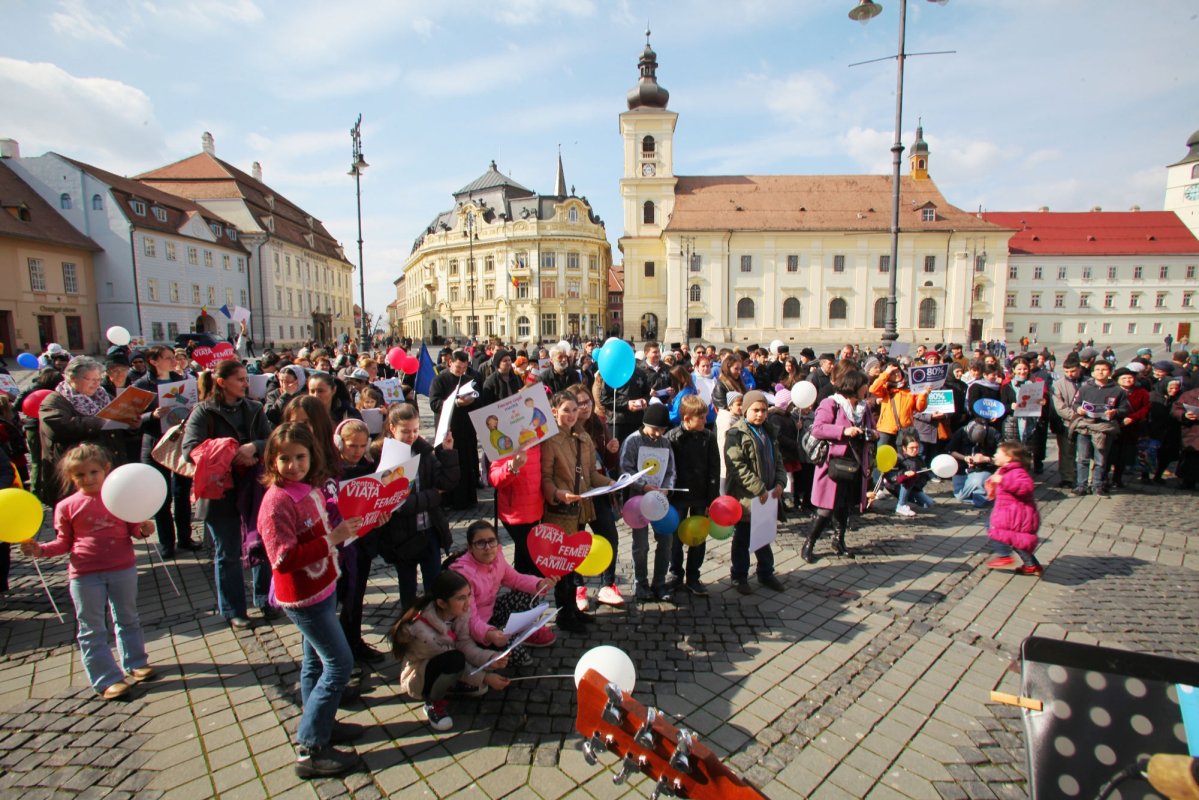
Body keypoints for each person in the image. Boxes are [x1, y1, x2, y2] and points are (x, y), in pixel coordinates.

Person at [257, 423, 364, 778]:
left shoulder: (309, 489)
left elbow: (325, 525)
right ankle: (310, 747)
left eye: (300, 457)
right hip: (303, 596)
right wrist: (332, 538)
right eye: (284, 458)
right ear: (272, 460)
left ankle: (322, 722)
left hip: (323, 586)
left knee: (314, 664)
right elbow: (282, 558)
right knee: (339, 665)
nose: (293, 465)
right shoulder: (276, 502)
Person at [20, 443, 156, 700]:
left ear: (106, 470)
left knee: (128, 617)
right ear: (71, 478)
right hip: (85, 574)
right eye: (80, 475)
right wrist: (39, 550)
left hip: (122, 567)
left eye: (93, 472)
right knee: (92, 627)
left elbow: (133, 529)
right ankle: (106, 677)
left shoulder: (117, 497)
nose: (88, 479)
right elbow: (63, 542)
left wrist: (144, 530)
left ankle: (136, 661)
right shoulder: (67, 506)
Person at [182, 359, 272, 629]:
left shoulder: (255, 408)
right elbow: (190, 450)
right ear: (222, 383)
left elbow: (271, 441)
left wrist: (254, 447)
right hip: (219, 492)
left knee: (262, 545)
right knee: (227, 553)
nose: (247, 383)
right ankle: (234, 608)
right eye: (241, 379)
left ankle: (264, 599)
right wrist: (233, 451)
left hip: (254, 488)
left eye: (246, 379)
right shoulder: (203, 413)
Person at [389, 570, 511, 732]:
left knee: (480, 654)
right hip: (421, 672)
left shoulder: (458, 612)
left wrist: (490, 658)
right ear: (441, 603)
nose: (468, 603)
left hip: (446, 657)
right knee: (455, 661)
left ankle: (456, 686)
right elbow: (456, 657)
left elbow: (464, 643)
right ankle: (433, 702)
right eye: (461, 598)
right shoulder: (423, 633)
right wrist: (486, 678)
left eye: (469, 595)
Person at [540, 391, 613, 629]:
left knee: (573, 562)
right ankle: (565, 614)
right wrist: (558, 494)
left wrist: (612, 483)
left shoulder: (583, 437)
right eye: (565, 410)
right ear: (554, 412)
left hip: (581, 507)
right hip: (560, 511)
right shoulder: (549, 440)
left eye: (573, 409)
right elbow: (546, 478)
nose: (571, 415)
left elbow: (591, 473)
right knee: (563, 565)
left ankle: (572, 610)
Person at [374, 403, 459, 608]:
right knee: (408, 588)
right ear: (392, 428)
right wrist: (433, 496)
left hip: (430, 529)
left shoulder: (425, 452)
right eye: (405, 431)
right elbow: (398, 502)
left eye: (415, 430)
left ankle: (434, 626)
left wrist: (448, 452)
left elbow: (446, 484)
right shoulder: (386, 458)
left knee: (434, 585)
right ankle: (407, 627)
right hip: (403, 535)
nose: (411, 435)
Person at [449, 520, 557, 667]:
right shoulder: (464, 574)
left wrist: (540, 584)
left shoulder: (497, 556)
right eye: (480, 543)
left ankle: (515, 632)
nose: (487, 548)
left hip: (491, 613)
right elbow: (470, 619)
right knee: (519, 658)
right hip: (471, 629)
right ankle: (498, 640)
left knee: (531, 593)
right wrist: (489, 634)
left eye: (491, 541)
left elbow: (516, 579)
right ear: (470, 548)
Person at [133, 345, 199, 558]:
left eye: (173, 358)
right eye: (168, 358)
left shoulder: (180, 381)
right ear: (154, 361)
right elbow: (130, 419)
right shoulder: (142, 385)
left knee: (181, 493)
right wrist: (150, 415)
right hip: (155, 444)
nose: (174, 361)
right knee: (161, 495)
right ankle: (166, 542)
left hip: (179, 442)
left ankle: (185, 538)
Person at [38, 356, 127, 507]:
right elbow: (58, 428)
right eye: (91, 379)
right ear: (72, 378)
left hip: (105, 468)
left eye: (99, 379)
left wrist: (131, 423)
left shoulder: (103, 396)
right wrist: (99, 422)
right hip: (75, 476)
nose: (96, 384)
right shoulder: (55, 400)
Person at [805, 373, 875, 563]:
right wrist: (844, 431)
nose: (866, 389)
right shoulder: (831, 404)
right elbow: (818, 428)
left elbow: (872, 427)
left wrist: (871, 433)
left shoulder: (863, 407)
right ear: (853, 386)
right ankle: (809, 543)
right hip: (834, 464)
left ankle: (839, 541)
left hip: (856, 462)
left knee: (844, 505)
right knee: (826, 507)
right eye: (863, 386)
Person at [724, 390, 786, 591]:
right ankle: (739, 576)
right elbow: (737, 466)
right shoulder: (736, 433)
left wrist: (779, 482)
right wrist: (758, 488)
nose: (760, 414)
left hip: (768, 495)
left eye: (764, 410)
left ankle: (766, 573)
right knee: (742, 538)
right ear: (745, 410)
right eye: (755, 410)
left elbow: (777, 460)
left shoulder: (768, 431)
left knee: (764, 535)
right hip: (746, 497)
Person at [569, 383, 622, 610]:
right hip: (576, 494)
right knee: (576, 541)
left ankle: (608, 585)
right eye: (580, 403)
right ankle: (577, 587)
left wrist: (612, 451)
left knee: (609, 534)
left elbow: (607, 465)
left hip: (599, 490)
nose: (585, 407)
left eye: (588, 402)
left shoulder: (599, 424)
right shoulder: (565, 429)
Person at [618, 403, 677, 602]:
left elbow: (670, 470)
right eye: (655, 429)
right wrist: (643, 486)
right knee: (641, 543)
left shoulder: (665, 443)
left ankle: (659, 582)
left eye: (662, 430)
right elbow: (625, 469)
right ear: (645, 425)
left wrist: (667, 487)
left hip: (659, 499)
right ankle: (640, 583)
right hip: (638, 501)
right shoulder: (633, 441)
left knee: (666, 540)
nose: (658, 434)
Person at [665, 395, 719, 595]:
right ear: (687, 419)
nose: (705, 421)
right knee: (675, 537)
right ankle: (675, 573)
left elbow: (714, 468)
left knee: (697, 537)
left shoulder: (708, 437)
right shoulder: (671, 437)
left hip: (700, 494)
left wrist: (712, 498)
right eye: (701, 418)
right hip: (678, 496)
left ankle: (693, 575)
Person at [428, 351, 482, 510]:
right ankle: (447, 501)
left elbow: (478, 402)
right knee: (448, 464)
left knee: (466, 463)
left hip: (466, 429)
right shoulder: (439, 380)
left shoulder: (468, 380)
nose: (461, 371)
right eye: (458, 367)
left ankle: (467, 499)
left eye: (464, 368)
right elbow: (434, 404)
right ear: (450, 363)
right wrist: (456, 403)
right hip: (448, 429)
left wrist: (472, 400)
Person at [983, 442, 1043, 576]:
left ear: (1009, 457)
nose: (995, 455)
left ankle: (1005, 556)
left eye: (998, 453)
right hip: (1009, 513)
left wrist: (1003, 481)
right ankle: (1032, 565)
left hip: (1017, 515)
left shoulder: (1018, 472)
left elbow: (1026, 487)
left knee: (998, 531)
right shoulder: (1005, 470)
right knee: (1017, 540)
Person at [1071, 359, 1129, 497]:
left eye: (1104, 369)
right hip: (1085, 425)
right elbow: (1076, 403)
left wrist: (1115, 412)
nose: (1100, 372)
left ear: (1110, 372)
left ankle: (1098, 485)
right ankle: (1081, 485)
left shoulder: (1117, 390)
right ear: (1092, 372)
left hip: (1104, 427)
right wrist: (1078, 409)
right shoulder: (1085, 388)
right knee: (1082, 458)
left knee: (1101, 459)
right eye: (1097, 369)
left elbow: (1124, 408)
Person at [890, 434, 934, 517]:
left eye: (917, 447)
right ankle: (901, 505)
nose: (915, 450)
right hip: (897, 486)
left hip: (914, 487)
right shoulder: (898, 459)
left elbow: (925, 476)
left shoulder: (920, 459)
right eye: (911, 448)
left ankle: (905, 497)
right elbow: (891, 475)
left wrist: (918, 484)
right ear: (904, 448)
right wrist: (904, 474)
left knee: (929, 503)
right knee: (909, 478)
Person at [1171, 383, 1199, 490]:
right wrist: (1184, 415)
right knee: (1191, 458)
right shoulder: (1189, 395)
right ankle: (1188, 482)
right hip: (1192, 432)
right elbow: (1175, 410)